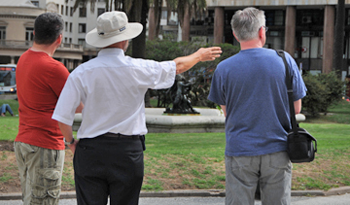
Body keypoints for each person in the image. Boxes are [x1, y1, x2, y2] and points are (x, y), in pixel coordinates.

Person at [52, 11, 221, 205]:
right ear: (125, 41)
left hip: (91, 149)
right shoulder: (138, 68)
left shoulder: (81, 72)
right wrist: (199, 55)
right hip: (127, 151)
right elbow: (177, 66)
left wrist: (71, 142)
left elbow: (62, 117)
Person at [208, 7, 307, 205]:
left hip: (239, 150)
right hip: (278, 149)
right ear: (262, 31)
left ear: (235, 34)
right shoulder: (285, 61)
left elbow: (227, 111)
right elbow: (296, 109)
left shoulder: (223, 69)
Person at [14, 12, 83, 205]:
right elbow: (78, 107)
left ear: (34, 33)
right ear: (59, 38)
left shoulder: (23, 60)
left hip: (24, 141)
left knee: (31, 200)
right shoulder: (54, 68)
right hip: (44, 144)